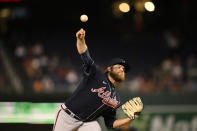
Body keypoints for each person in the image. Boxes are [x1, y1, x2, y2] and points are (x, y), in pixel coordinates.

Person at [53, 28, 143, 131]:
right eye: (119, 67)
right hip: (67, 116)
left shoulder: (116, 100)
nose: (122, 69)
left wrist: (129, 119)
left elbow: (110, 123)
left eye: (123, 69)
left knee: (95, 128)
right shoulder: (97, 74)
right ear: (109, 69)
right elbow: (85, 55)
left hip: (86, 123)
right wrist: (81, 40)